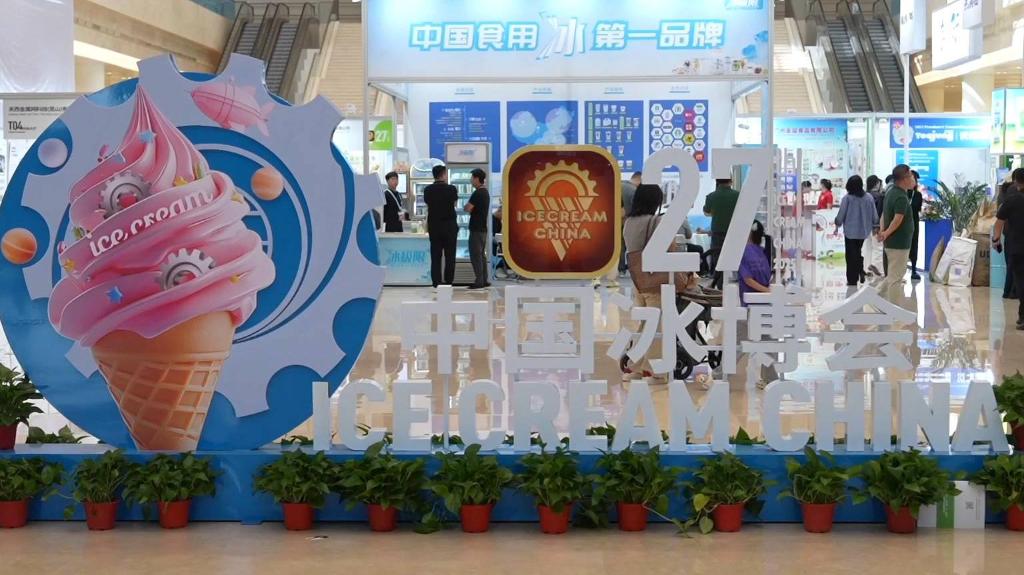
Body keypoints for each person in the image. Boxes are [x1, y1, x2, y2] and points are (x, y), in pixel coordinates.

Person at [622, 183, 672, 385]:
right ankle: (654, 371)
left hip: (638, 280)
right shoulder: (656, 221)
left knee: (644, 325)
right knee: (657, 326)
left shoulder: (628, 222)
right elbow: (669, 248)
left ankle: (634, 367)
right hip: (655, 279)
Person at [877, 164, 915, 298]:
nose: (913, 179)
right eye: (911, 176)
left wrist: (883, 231)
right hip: (899, 243)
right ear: (905, 179)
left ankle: (874, 296)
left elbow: (884, 214)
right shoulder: (901, 197)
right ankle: (894, 308)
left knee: (893, 274)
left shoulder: (891, 191)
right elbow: (897, 219)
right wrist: (886, 233)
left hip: (893, 242)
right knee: (896, 278)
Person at [834, 175, 878, 286]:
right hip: (863, 231)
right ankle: (860, 270)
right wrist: (875, 226)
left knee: (850, 255)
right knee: (857, 251)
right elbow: (875, 215)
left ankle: (852, 279)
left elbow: (841, 215)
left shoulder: (847, 198)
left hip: (850, 232)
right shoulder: (868, 197)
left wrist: (837, 223)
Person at [994, 171, 1024, 330]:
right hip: (1017, 247)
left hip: (1017, 247)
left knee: (1020, 281)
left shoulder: (1012, 199)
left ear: (1016, 181)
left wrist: (996, 239)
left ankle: (1023, 317)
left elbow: (999, 221)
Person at [423, 164, 459, 287]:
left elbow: (428, 203)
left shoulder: (428, 190)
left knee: (435, 256)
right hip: (449, 226)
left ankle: (436, 282)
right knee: (450, 256)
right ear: (443, 175)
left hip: (434, 226)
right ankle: (448, 281)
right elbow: (454, 204)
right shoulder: (452, 189)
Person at [703, 177, 740, 288]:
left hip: (717, 232)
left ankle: (719, 285)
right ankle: (734, 283)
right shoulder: (738, 195)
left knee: (718, 259)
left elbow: (707, 212)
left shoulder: (711, 196)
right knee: (733, 258)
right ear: (731, 181)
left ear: (717, 181)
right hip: (733, 232)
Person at [464, 168, 490, 289]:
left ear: (477, 179)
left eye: (472, 178)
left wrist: (466, 207)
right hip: (483, 228)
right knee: (481, 255)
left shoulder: (477, 193)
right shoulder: (485, 192)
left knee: (475, 255)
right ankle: (484, 279)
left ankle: (479, 281)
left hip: (476, 228)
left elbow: (468, 208)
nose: (471, 180)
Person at [998, 179, 1018, 300]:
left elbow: (999, 221)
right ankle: (1012, 292)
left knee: (1010, 265)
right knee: (1014, 266)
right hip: (1015, 236)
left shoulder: (1005, 193)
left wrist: (996, 239)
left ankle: (1008, 291)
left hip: (1008, 235)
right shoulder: (1015, 194)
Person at [908, 170, 924, 280]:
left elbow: (917, 208)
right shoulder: (901, 193)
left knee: (914, 245)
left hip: (914, 222)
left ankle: (913, 270)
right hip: (902, 223)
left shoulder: (918, 195)